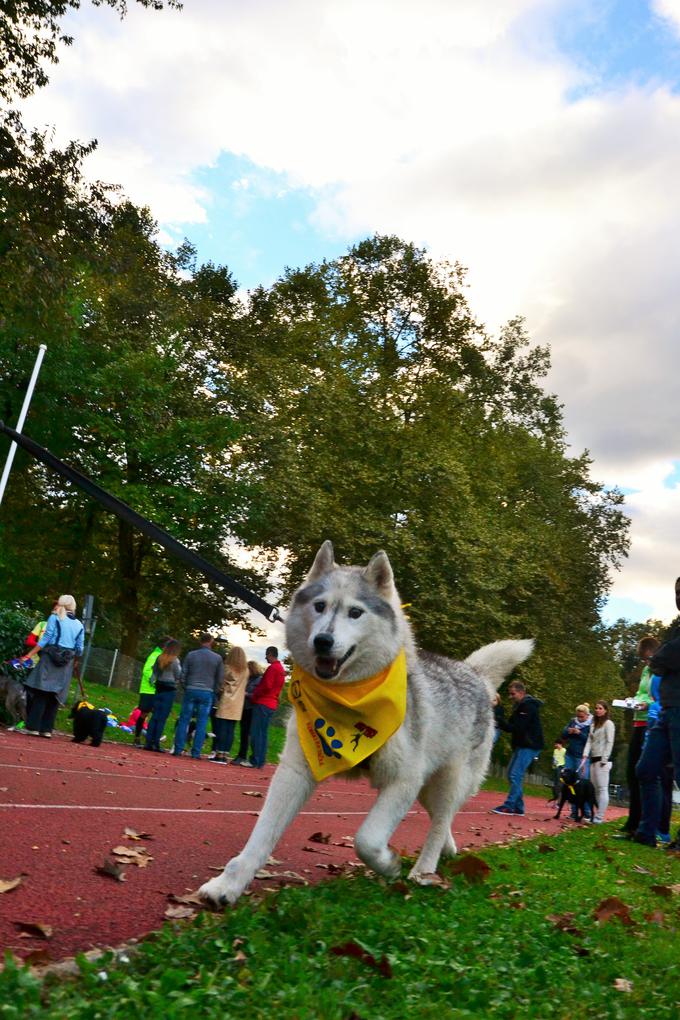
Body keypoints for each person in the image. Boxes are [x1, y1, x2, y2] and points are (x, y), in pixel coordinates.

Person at [634, 576, 680, 849]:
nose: (678, 597)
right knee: (646, 769)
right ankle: (646, 832)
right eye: (676, 592)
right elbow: (659, 662)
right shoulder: (676, 630)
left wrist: (662, 660)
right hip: (667, 709)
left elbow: (662, 659)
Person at [20, 595, 84, 737]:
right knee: (55, 695)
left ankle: (33, 727)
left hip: (50, 657)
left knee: (41, 692)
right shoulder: (79, 625)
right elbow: (80, 648)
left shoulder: (54, 618)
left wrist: (29, 655)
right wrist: (75, 660)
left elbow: (45, 640)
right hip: (66, 662)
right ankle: (47, 730)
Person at [617, 636, 658, 837]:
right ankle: (633, 821)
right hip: (638, 721)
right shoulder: (646, 670)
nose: (645, 662)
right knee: (632, 772)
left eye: (647, 658)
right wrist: (633, 700)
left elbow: (658, 698)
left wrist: (646, 705)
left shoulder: (661, 670)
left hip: (651, 723)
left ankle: (644, 824)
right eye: (643, 659)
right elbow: (643, 693)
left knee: (644, 773)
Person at [491, 681, 544, 815]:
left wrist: (500, 720)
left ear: (521, 692)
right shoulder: (519, 707)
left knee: (515, 775)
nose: (510, 696)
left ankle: (509, 806)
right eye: (509, 694)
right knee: (511, 774)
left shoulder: (527, 707)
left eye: (513, 694)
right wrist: (498, 720)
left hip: (530, 745)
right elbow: (510, 727)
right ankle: (519, 808)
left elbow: (518, 728)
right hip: (522, 745)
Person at [173, 633, 224, 759]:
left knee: (184, 720)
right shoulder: (217, 658)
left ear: (200, 641)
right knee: (202, 722)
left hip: (191, 689)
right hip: (207, 692)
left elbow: (183, 674)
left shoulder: (191, 655)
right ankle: (196, 752)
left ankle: (178, 749)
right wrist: (214, 691)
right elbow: (220, 679)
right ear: (211, 641)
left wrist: (186, 687)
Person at [245, 646, 286, 769]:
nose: (266, 658)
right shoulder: (281, 669)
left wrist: (254, 696)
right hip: (272, 704)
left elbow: (266, 686)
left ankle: (255, 760)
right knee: (263, 733)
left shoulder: (272, 668)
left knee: (256, 732)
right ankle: (260, 760)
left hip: (263, 703)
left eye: (266, 655)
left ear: (270, 654)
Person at [212, 646, 249, 763]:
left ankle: (219, 753)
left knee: (222, 728)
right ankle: (226, 754)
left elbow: (221, 683)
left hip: (226, 700)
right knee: (230, 730)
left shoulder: (228, 668)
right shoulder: (246, 671)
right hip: (238, 703)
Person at [144, 640, 182, 752]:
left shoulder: (160, 658)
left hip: (159, 688)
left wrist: (152, 682)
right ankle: (156, 743)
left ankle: (148, 742)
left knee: (154, 716)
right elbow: (178, 675)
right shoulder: (175, 661)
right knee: (162, 718)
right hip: (169, 690)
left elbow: (154, 672)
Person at [581, 701, 615, 823]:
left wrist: (605, 758)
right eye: (596, 708)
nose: (598, 710)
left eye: (600, 708)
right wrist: (585, 755)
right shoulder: (593, 724)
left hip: (603, 760)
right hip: (593, 759)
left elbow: (609, 742)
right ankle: (595, 815)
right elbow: (589, 741)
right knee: (594, 789)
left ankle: (600, 817)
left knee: (602, 788)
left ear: (605, 710)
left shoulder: (608, 724)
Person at [135, 636, 172, 747]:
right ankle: (137, 737)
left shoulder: (163, 656)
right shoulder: (155, 655)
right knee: (144, 714)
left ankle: (150, 738)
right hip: (149, 690)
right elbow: (146, 670)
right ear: (164, 646)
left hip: (156, 691)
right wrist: (155, 682)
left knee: (154, 715)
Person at [561, 703, 593, 820]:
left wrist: (580, 733)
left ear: (587, 715)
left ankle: (587, 811)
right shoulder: (572, 721)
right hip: (570, 754)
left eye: (581, 717)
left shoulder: (591, 724)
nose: (579, 719)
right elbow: (563, 734)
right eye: (578, 716)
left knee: (582, 785)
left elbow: (590, 740)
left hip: (582, 757)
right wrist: (568, 731)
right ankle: (574, 811)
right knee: (570, 784)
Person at [232, 660, 264, 765]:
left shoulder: (259, 680)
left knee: (248, 734)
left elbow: (258, 693)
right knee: (244, 733)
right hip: (244, 708)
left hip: (251, 709)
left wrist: (247, 694)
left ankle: (247, 756)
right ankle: (242, 755)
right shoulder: (247, 679)